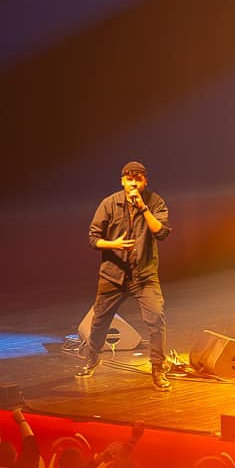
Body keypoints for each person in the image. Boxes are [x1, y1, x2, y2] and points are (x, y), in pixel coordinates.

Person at [77, 160, 171, 390]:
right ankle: (92, 356)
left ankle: (157, 367)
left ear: (144, 181)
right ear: (122, 181)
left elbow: (162, 233)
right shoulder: (109, 204)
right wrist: (113, 244)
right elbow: (92, 239)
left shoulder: (155, 202)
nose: (133, 184)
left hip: (144, 276)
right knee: (99, 322)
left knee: (156, 319)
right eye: (129, 179)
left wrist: (144, 208)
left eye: (138, 179)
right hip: (113, 276)